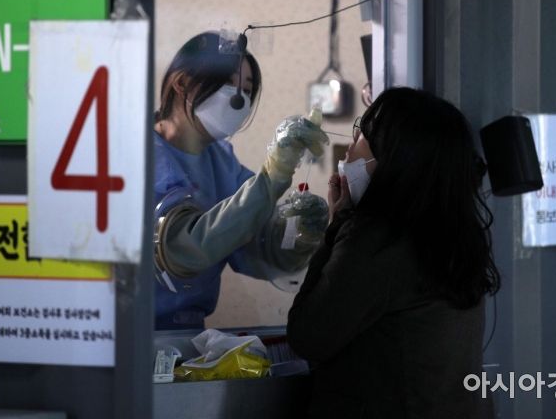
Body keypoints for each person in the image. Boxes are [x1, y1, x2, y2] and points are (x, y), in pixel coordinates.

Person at [287, 87, 500, 418]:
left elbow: (308, 336)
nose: (351, 142)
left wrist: (338, 225)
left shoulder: (378, 240)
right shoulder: (453, 236)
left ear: (393, 160)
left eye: (363, 133)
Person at [153, 31, 330, 330]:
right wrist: (273, 175)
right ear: (181, 83)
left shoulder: (222, 162)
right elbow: (183, 250)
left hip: (188, 335)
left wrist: (296, 233)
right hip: (129, 340)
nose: (240, 99)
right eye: (227, 85)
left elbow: (253, 242)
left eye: (247, 90)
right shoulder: (138, 155)